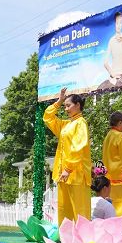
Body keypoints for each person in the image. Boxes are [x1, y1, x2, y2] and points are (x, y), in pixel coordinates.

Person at [44, 87, 92, 226]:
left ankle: (82, 242)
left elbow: (79, 147)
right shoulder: (66, 125)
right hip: (63, 173)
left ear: (78, 105)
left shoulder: (80, 123)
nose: (66, 109)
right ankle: (66, 241)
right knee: (65, 210)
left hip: (76, 174)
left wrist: (69, 168)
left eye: (68, 105)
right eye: (64, 106)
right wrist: (59, 101)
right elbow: (48, 117)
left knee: (79, 210)